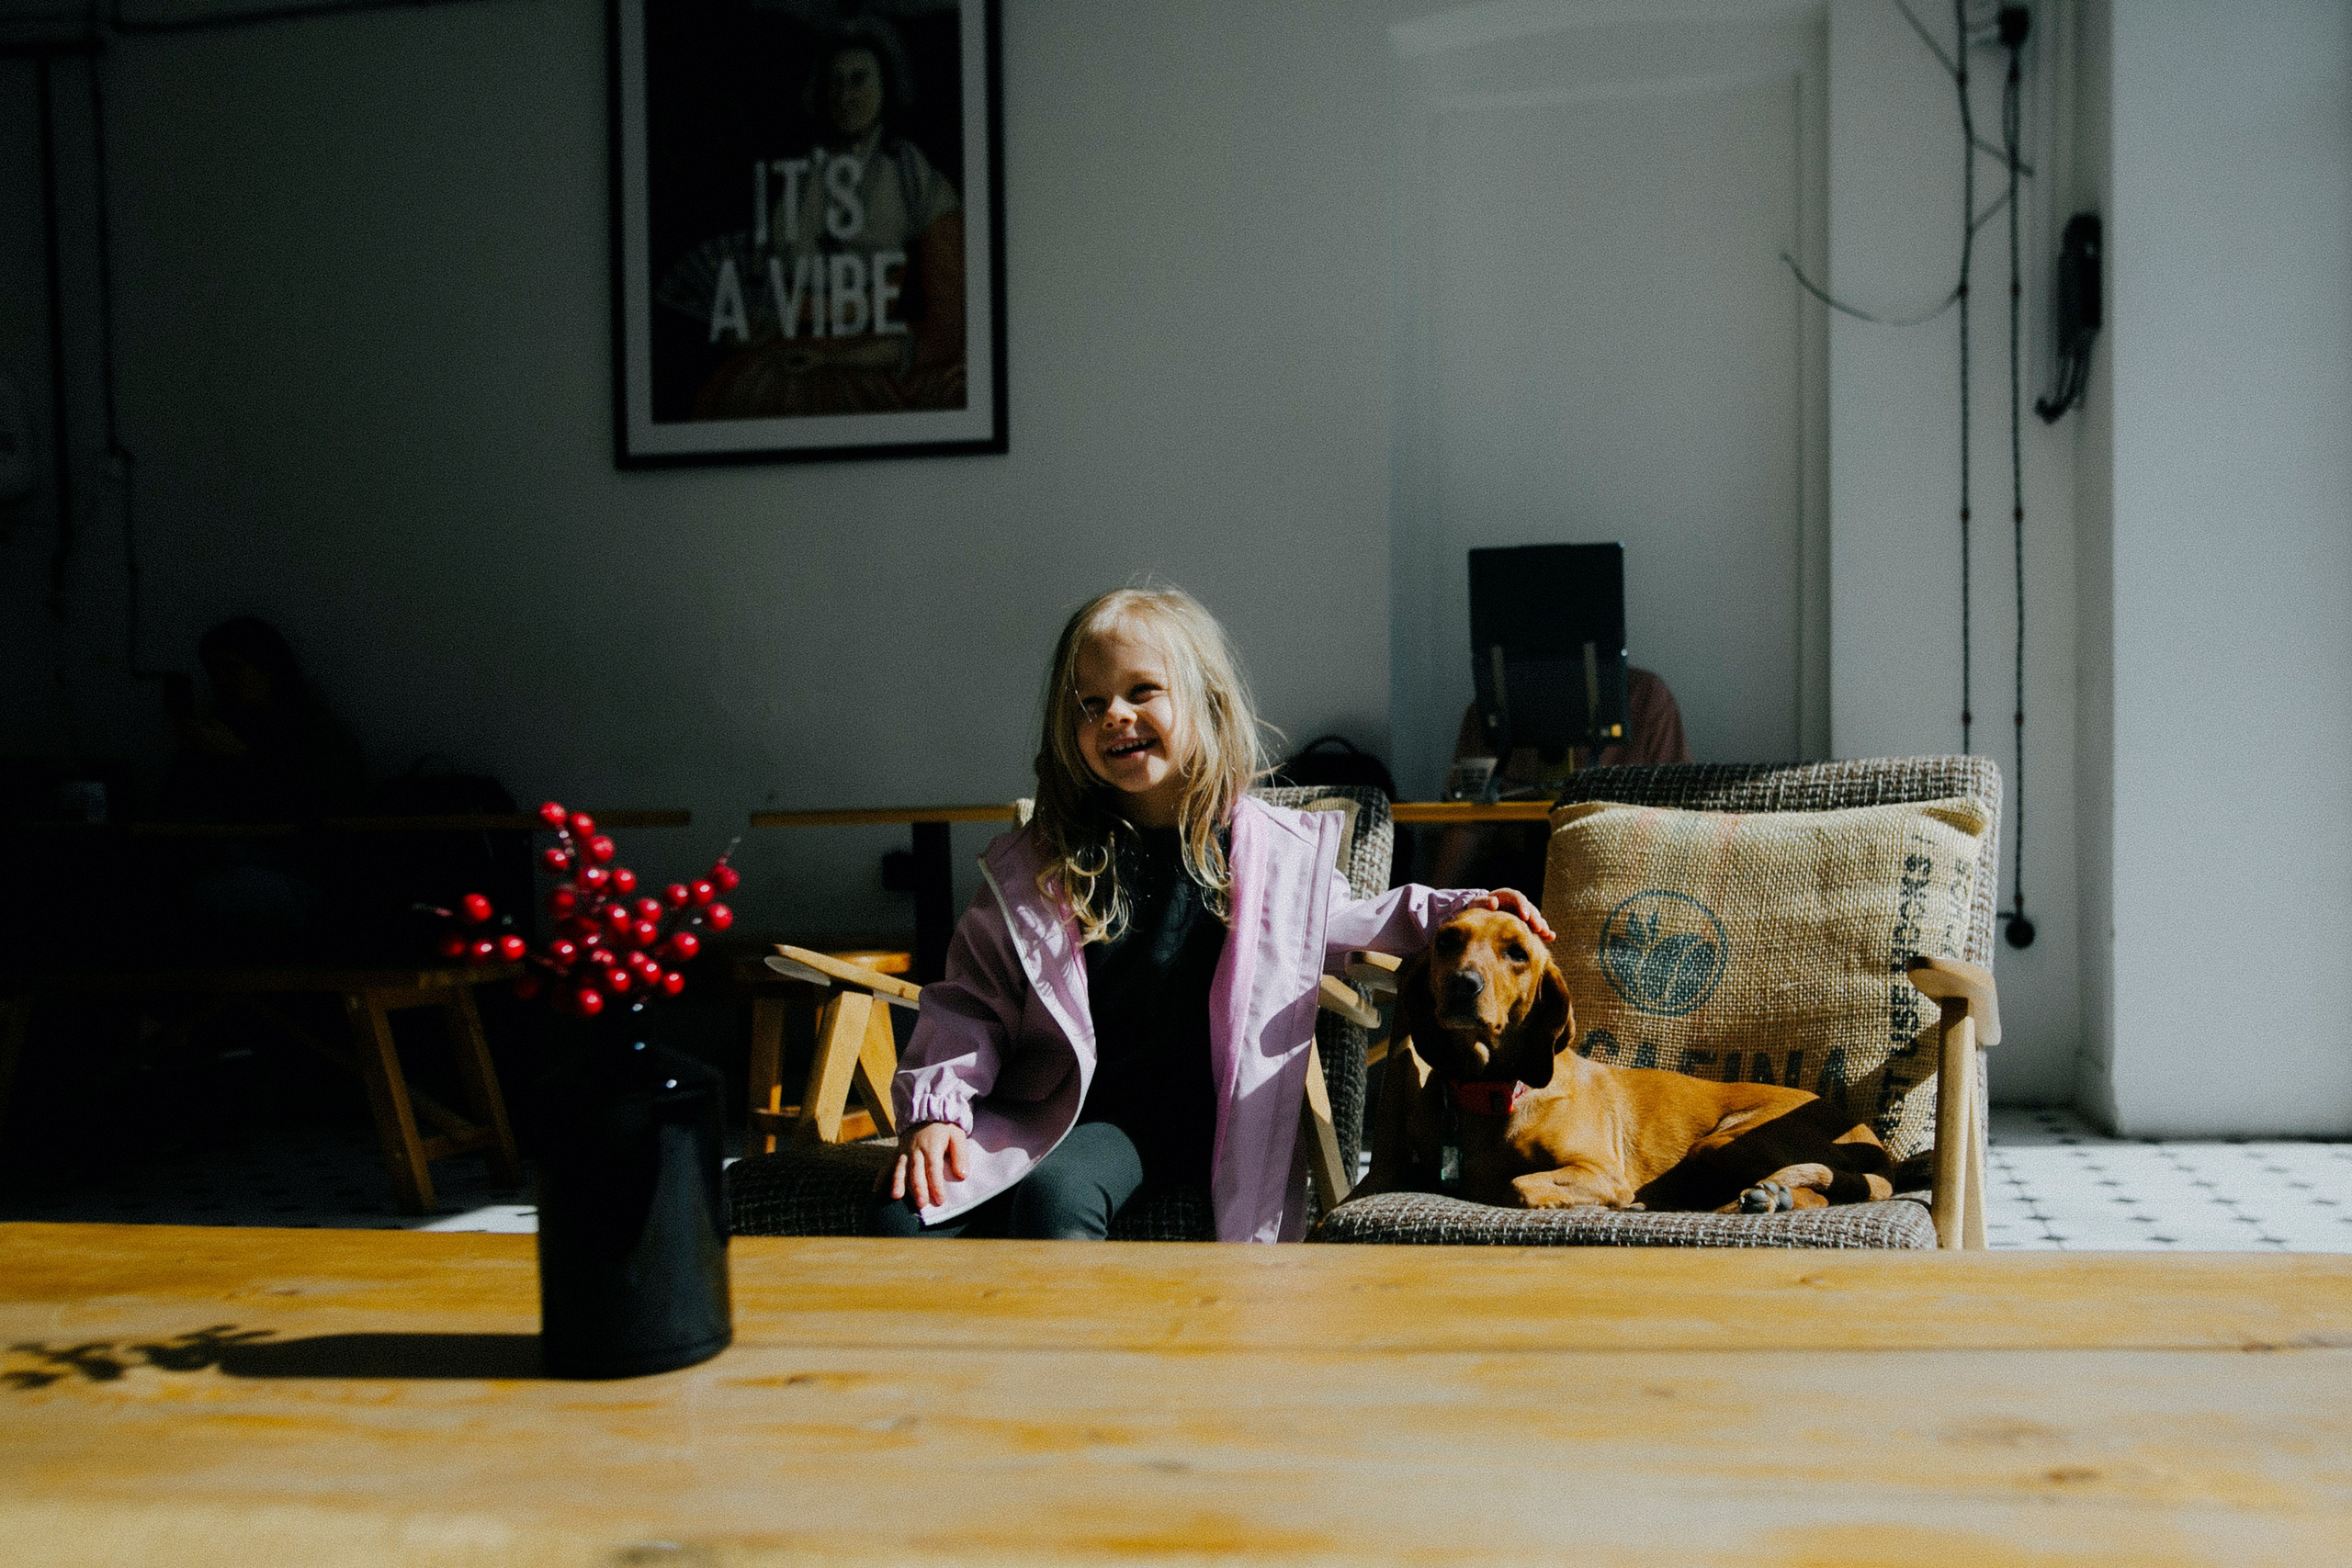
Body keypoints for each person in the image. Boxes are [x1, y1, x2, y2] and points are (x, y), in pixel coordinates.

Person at [865, 585, 1553, 1244]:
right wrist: (935, 1111)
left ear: (1204, 703)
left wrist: (1465, 908)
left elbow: (1366, 917)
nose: (1115, 715)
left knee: (1059, 1195)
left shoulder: (1268, 861)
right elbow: (970, 1001)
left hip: (1177, 1121)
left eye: (1141, 691)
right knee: (904, 1207)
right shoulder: (1040, 864)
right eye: (1091, 702)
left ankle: (1069, 1364)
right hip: (1041, 1110)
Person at [683, 18, 968, 419]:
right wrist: (754, 326)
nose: (845, 96)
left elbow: (948, 323)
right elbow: (769, 289)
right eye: (835, 83)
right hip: (793, 357)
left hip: (879, 361)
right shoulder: (799, 179)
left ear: (887, 86)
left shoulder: (912, 176)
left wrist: (841, 358)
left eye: (858, 80)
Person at [162, 616, 368, 953]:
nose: (221, 682)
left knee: (205, 891)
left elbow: (317, 808)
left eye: (233, 669)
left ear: (269, 668)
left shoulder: (317, 733)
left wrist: (242, 757)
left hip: (306, 875)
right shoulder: (219, 732)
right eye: (213, 673)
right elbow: (175, 808)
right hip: (229, 860)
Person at [1427, 667, 1690, 893]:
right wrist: (1428, 919)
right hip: (1516, 878)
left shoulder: (1644, 698)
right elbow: (1466, 827)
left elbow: (1679, 820)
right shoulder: (1490, 712)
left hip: (1619, 872)